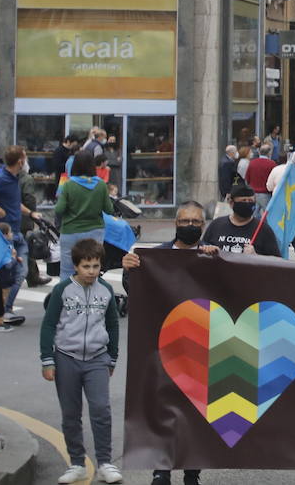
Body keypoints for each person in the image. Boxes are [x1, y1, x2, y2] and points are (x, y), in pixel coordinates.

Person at [122, 202, 209, 485]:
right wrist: (129, 268)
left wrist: (219, 261)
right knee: (162, 407)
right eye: (185, 221)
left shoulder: (211, 256)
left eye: (196, 221)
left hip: (201, 346)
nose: (190, 226)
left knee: (195, 411)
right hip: (163, 345)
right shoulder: (155, 256)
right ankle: (161, 469)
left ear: (204, 225)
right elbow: (133, 288)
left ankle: (192, 470)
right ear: (176, 222)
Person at [40, 238, 123, 484]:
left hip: (98, 358)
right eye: (86, 266)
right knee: (70, 413)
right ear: (76, 266)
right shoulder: (62, 290)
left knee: (101, 410)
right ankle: (76, 463)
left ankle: (105, 463)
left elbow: (112, 324)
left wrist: (112, 357)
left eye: (96, 266)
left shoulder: (106, 290)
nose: (91, 271)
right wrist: (47, 360)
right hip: (66, 358)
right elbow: (49, 325)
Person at [0, 145, 33, 325]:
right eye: (26, 157)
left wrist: (31, 213)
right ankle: (1, 314)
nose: (26, 161)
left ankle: (4, 311)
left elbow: (15, 203)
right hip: (5, 235)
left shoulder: (14, 178)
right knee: (11, 274)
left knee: (17, 272)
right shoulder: (3, 178)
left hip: (15, 232)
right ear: (20, 161)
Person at [54, 150, 114, 280]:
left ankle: (67, 299)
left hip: (70, 232)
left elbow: (59, 209)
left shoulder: (68, 184)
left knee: (67, 271)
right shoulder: (101, 185)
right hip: (95, 232)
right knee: (92, 270)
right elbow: (109, 210)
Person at [200, 183, 280, 256]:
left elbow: (275, 261)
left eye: (250, 201)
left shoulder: (263, 229)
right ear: (231, 203)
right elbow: (202, 249)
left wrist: (256, 256)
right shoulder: (216, 225)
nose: (247, 204)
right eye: (243, 201)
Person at [243, 143, 276, 213]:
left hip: (253, 194)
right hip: (265, 194)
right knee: (268, 216)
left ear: (259, 152)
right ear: (269, 152)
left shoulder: (252, 163)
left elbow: (247, 179)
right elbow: (274, 181)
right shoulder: (272, 164)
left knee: (254, 215)